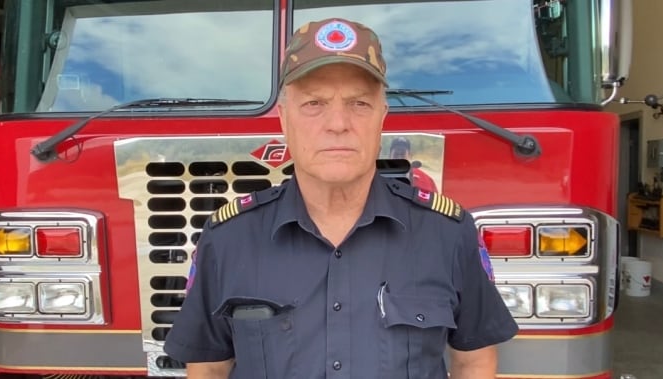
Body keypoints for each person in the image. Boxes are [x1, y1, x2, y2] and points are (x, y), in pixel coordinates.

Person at [163, 17, 518, 379]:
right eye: (314, 103)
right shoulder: (228, 240)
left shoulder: (447, 234)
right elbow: (208, 368)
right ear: (285, 121)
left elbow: (473, 361)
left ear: (382, 117)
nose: (337, 123)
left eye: (359, 104)